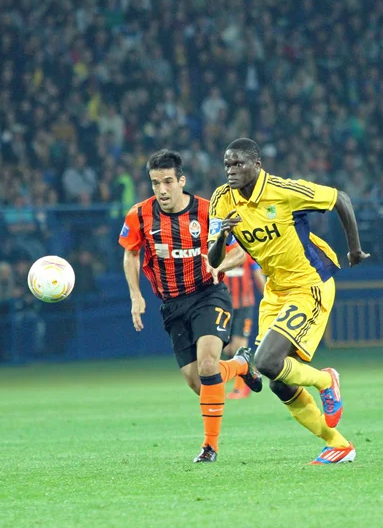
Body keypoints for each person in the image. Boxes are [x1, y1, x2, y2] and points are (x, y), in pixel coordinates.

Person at [208, 138, 370, 465]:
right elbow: (214, 259)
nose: (231, 170)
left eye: (238, 164)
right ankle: (339, 445)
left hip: (310, 283)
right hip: (276, 290)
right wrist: (223, 236)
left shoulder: (283, 191)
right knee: (279, 384)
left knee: (267, 363)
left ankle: (326, 380)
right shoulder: (221, 200)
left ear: (257, 164)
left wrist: (353, 248)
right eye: (227, 164)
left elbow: (341, 198)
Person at [119, 149, 263, 463]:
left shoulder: (208, 212)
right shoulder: (139, 215)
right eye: (156, 182)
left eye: (168, 181)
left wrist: (220, 264)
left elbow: (242, 252)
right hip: (171, 305)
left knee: (209, 364)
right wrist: (135, 295)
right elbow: (130, 254)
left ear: (181, 181)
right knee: (199, 383)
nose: (162, 189)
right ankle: (240, 365)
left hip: (207, 294)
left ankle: (209, 447)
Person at [224, 254, 266, 400]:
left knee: (238, 347)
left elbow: (258, 276)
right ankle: (250, 373)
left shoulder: (247, 254)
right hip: (224, 306)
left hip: (244, 306)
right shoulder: (217, 254)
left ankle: (241, 388)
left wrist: (268, 296)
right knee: (227, 349)